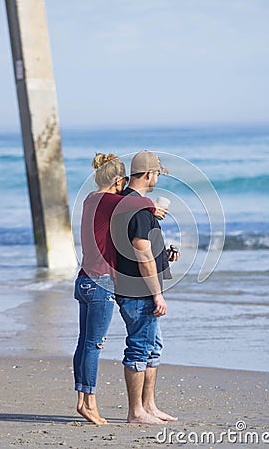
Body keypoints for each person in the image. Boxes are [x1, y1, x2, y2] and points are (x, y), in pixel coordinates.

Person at [73, 152, 167, 425]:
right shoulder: (109, 201)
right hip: (100, 281)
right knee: (94, 344)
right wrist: (152, 207)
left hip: (83, 279)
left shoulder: (91, 200)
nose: (122, 185)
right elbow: (136, 201)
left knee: (85, 344)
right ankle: (88, 403)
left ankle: (82, 399)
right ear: (116, 180)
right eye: (120, 181)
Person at [114, 150, 180, 425]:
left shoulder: (129, 203)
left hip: (134, 286)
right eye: (156, 174)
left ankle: (149, 405)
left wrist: (163, 254)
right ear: (150, 174)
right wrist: (157, 293)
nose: (157, 179)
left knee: (153, 348)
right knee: (140, 349)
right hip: (138, 289)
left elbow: (139, 247)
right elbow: (140, 253)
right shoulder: (139, 208)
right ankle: (136, 412)